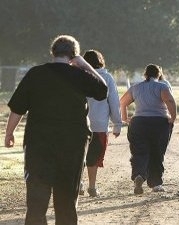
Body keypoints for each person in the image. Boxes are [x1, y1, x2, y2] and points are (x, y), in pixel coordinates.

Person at [4, 35, 108, 225]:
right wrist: (85, 65)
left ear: (52, 52)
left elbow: (17, 108)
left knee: (37, 198)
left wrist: (9, 133)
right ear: (74, 55)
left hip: (39, 143)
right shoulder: (80, 75)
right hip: (73, 144)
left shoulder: (35, 74)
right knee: (67, 198)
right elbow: (103, 90)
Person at [120, 64, 177, 194]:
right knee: (157, 152)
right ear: (159, 74)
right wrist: (173, 117)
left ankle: (139, 175)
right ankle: (156, 183)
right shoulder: (162, 86)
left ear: (145, 75)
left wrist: (125, 118)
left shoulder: (136, 88)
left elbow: (122, 102)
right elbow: (169, 101)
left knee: (139, 152)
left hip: (138, 122)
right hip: (159, 122)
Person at [79, 49, 122, 197]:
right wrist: (117, 123)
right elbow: (114, 102)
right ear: (100, 61)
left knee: (79, 155)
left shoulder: (78, 76)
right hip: (99, 124)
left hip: (79, 123)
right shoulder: (107, 78)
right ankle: (92, 186)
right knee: (94, 156)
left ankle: (78, 184)